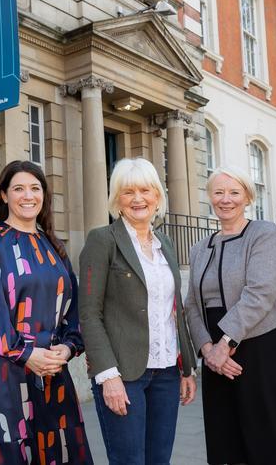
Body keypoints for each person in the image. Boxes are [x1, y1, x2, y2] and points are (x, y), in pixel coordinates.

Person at [0, 160, 92, 464]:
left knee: (59, 452)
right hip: (1, 372)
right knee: (8, 452)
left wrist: (68, 348)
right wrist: (25, 354)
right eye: (18, 188)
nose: (28, 195)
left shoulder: (52, 245)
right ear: (4, 195)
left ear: (44, 195)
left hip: (51, 371)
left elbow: (73, 309)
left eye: (35, 188)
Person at [79, 157, 197, 465]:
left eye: (145, 190)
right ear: (117, 199)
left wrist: (186, 368)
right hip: (123, 374)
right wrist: (107, 376)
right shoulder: (102, 240)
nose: (138, 199)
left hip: (167, 371)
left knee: (159, 460)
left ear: (157, 196)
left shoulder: (166, 244)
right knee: (129, 460)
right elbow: (90, 314)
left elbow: (175, 311)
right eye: (128, 191)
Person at [184, 167, 276, 465]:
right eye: (219, 192)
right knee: (226, 441)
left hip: (262, 347)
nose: (226, 199)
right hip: (214, 356)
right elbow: (192, 305)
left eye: (234, 192)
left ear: (248, 197)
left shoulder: (264, 234)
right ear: (210, 197)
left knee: (269, 441)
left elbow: (262, 292)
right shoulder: (199, 248)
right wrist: (208, 350)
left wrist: (225, 344)